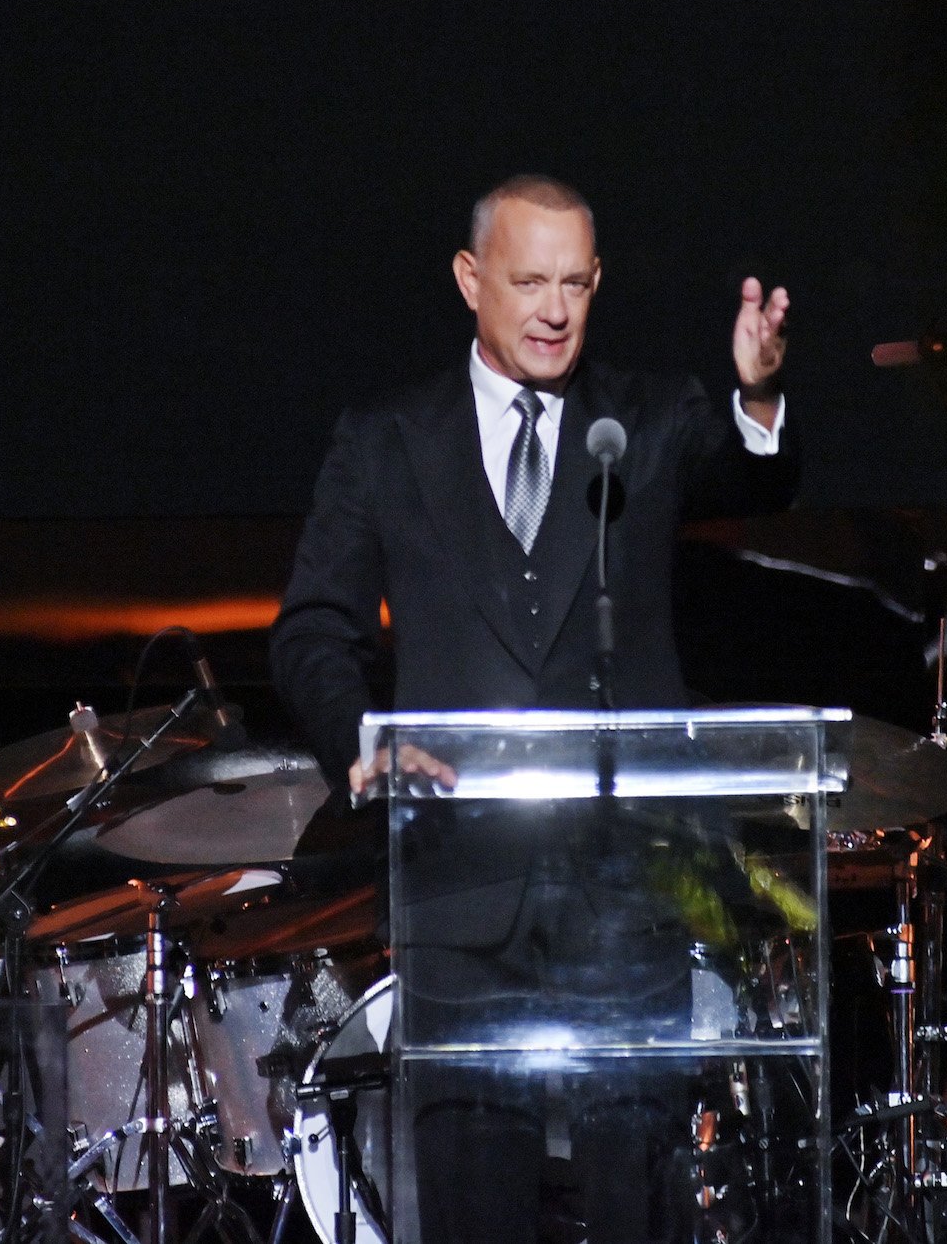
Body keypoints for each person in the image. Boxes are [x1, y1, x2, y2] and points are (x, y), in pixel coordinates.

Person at [268, 174, 798, 1243]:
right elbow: (312, 627)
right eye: (527, 283)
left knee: (638, 1195)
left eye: (574, 285)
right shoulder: (385, 437)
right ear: (471, 280)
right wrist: (367, 740)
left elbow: (748, 480)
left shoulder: (646, 419)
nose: (554, 311)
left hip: (625, 882)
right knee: (474, 1200)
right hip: (461, 880)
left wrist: (755, 400)